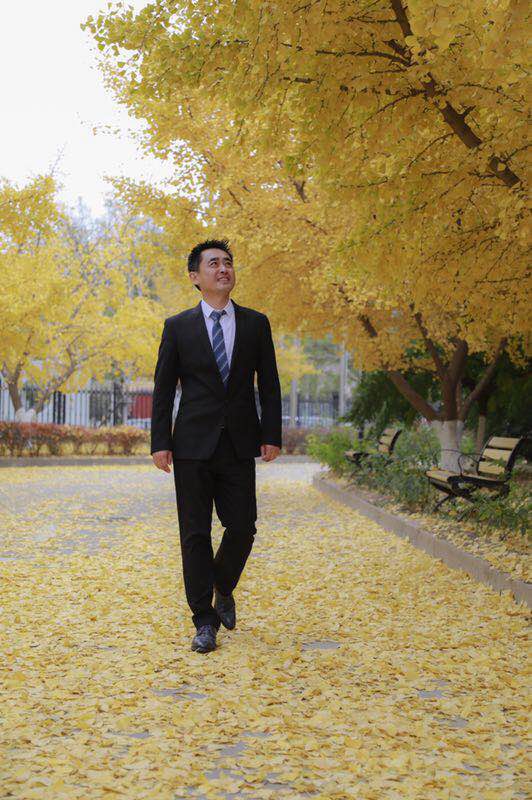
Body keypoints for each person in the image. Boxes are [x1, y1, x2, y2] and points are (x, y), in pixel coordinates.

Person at [150, 238, 282, 653]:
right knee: (194, 534)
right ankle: (203, 622)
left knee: (242, 527)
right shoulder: (178, 327)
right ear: (195, 276)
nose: (223, 268)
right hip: (191, 444)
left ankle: (222, 585)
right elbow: (162, 388)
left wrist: (271, 434)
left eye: (227, 262)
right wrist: (160, 441)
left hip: (239, 442)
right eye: (213, 264)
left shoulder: (256, 324)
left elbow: (270, 384)